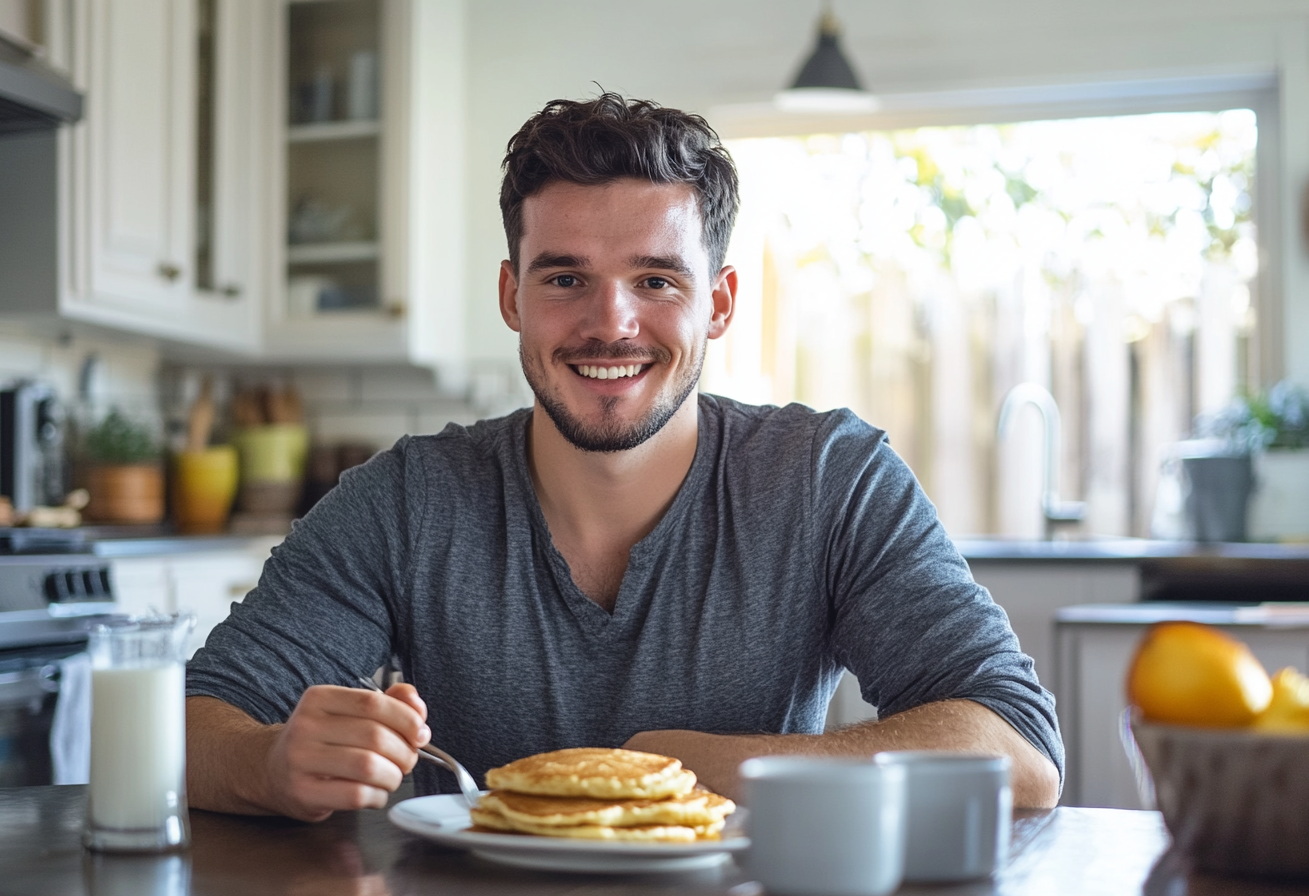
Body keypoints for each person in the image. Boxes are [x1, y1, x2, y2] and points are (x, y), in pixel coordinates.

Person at [185, 93, 1063, 822]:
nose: (611, 323)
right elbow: (185, 728)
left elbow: (1018, 747)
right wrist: (268, 763)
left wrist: (682, 765)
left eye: (656, 280)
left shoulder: (830, 478)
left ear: (717, 303)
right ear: (512, 296)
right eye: (565, 278)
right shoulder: (407, 500)